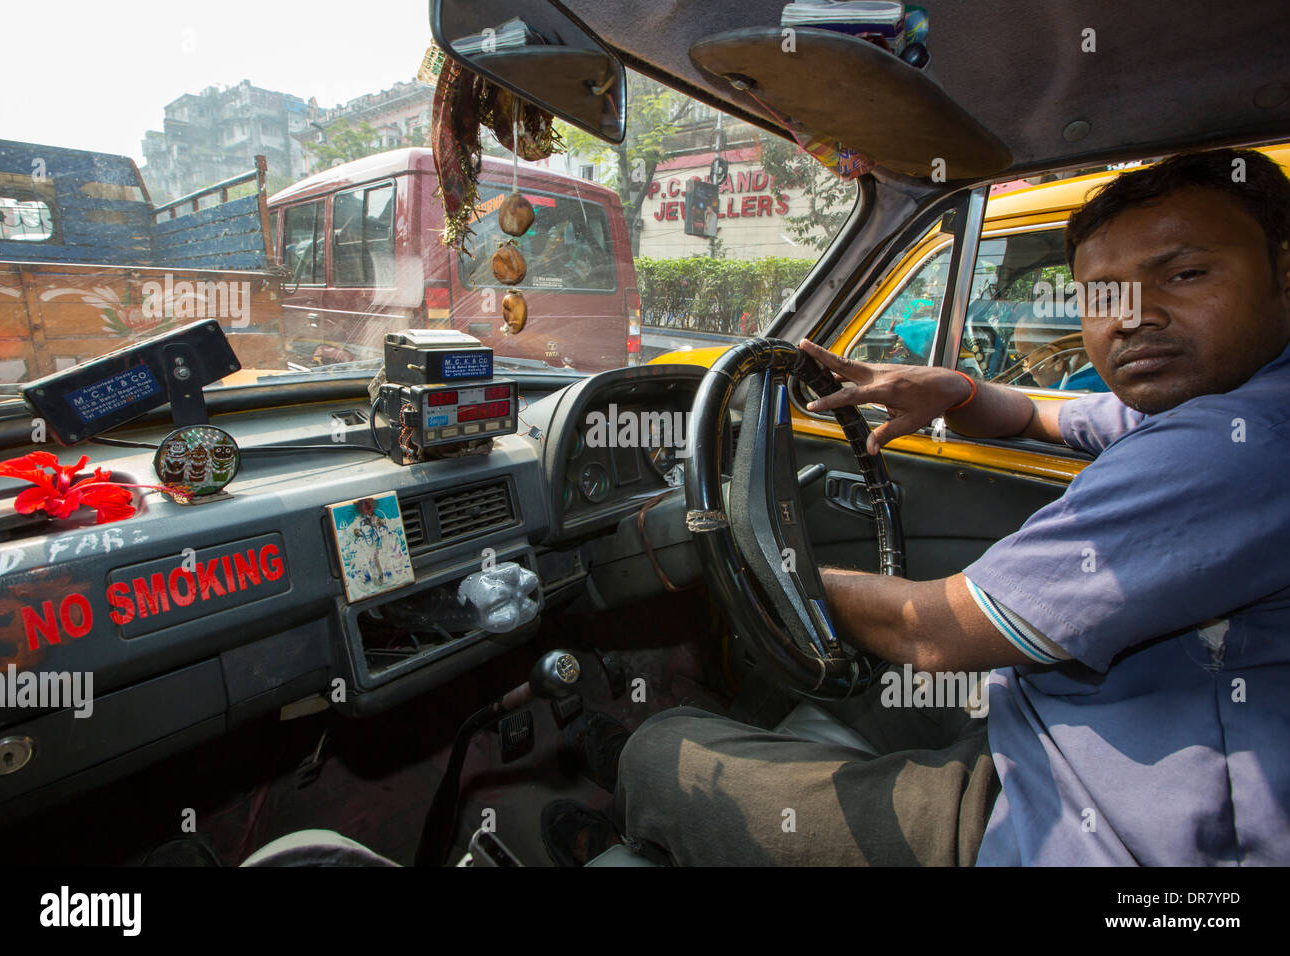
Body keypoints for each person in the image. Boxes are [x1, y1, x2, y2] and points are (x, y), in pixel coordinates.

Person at [542, 146, 1290, 866]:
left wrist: (753, 563)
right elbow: (1039, 417)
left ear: (1282, 272)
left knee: (665, 748)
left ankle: (633, 797)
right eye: (1102, 296)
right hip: (1086, 734)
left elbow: (926, 631)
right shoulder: (1219, 403)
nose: (1130, 318)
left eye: (1185, 274)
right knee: (869, 700)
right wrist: (955, 390)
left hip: (1077, 831)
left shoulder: (1229, 447)